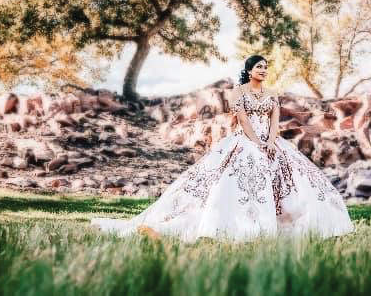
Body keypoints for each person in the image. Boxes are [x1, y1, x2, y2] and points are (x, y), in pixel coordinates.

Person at [90, 55, 354, 242]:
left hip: (272, 142)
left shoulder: (272, 94)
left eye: (265, 67)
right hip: (245, 141)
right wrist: (258, 143)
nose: (263, 70)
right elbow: (243, 121)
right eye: (259, 67)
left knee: (297, 181)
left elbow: (275, 121)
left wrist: (272, 143)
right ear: (249, 70)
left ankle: (287, 223)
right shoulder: (237, 93)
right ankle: (235, 225)